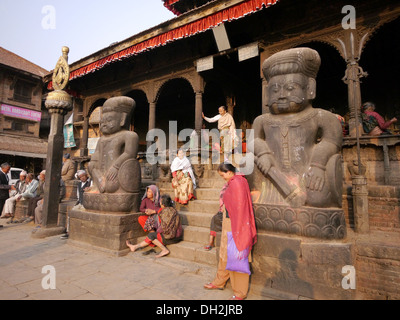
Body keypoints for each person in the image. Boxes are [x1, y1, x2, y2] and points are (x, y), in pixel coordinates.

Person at [203, 163, 257, 300]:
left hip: (237, 224)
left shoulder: (237, 182)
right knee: (225, 254)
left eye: (223, 175)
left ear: (230, 172)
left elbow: (239, 207)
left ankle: (240, 292)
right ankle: (219, 281)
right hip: (229, 221)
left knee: (237, 256)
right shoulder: (235, 181)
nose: (223, 178)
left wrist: (237, 228)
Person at [126, 194, 183, 258]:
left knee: (152, 235)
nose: (159, 202)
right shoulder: (174, 210)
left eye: (160, 201)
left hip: (171, 238)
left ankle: (164, 250)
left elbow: (163, 228)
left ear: (163, 204)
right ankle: (134, 247)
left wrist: (157, 232)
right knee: (153, 235)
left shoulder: (164, 212)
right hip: (178, 236)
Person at [0, 163, 15, 227]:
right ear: (3, 168)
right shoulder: (0, 174)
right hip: (0, 195)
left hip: (4, 195)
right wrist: (9, 187)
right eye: (8, 169)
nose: (9, 171)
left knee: (0, 210)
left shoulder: (5, 175)